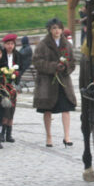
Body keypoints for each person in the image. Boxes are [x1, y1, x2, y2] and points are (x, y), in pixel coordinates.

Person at [33, 18, 76, 147]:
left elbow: (72, 62)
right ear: (50, 30)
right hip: (47, 83)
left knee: (66, 109)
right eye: (54, 28)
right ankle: (49, 136)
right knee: (47, 110)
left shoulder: (67, 44)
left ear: (62, 30)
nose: (56, 31)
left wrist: (65, 67)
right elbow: (37, 62)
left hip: (63, 82)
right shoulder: (43, 44)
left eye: (58, 28)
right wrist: (53, 66)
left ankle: (67, 136)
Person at [1, 33, 21, 142]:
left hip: (13, 86)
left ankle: (9, 133)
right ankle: (2, 133)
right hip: (4, 86)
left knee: (12, 109)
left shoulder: (17, 55)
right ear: (4, 45)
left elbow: (20, 69)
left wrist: (17, 76)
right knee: (5, 109)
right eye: (8, 44)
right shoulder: (2, 55)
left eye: (12, 44)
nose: (10, 46)